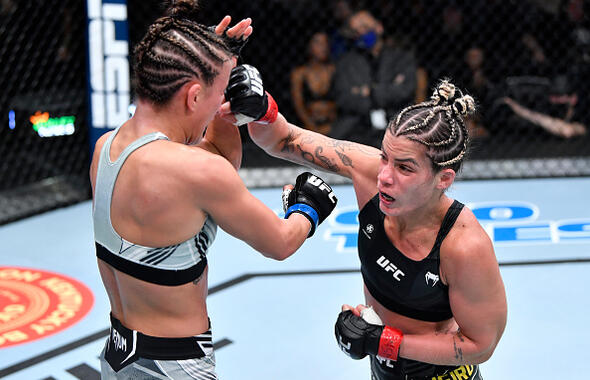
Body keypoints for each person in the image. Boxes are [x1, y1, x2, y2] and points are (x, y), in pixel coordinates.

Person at [89, 2, 337, 379]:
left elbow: (214, 161)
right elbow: (281, 242)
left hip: (118, 356)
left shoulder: (106, 148)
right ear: (191, 96)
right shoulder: (195, 172)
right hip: (174, 365)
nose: (220, 107)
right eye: (218, 96)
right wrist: (309, 207)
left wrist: (218, 67)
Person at [222, 75, 506, 379]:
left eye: (405, 167)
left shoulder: (464, 246)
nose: (384, 176)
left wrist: (383, 341)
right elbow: (284, 140)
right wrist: (261, 110)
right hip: (383, 368)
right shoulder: (370, 174)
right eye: (385, 157)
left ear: (444, 179)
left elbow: (481, 344)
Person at [331, 9, 416, 147]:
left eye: (365, 27)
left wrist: (368, 92)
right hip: (357, 127)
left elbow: (405, 91)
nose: (361, 33)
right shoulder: (345, 63)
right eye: (356, 31)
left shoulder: (401, 58)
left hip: (396, 122)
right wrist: (387, 89)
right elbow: (344, 98)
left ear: (379, 27)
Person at [290, 31, 337, 135]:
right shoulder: (299, 74)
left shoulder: (334, 70)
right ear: (309, 46)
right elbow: (298, 105)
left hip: (334, 126)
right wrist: (311, 126)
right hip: (309, 126)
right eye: (318, 43)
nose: (323, 47)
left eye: (325, 43)